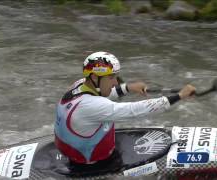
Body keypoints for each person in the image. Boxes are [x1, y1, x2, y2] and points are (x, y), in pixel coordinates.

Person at [54, 51, 195, 164]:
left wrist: (128, 87)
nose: (115, 82)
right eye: (111, 77)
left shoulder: (80, 85)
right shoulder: (92, 106)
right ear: (95, 78)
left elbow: (104, 95)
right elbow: (135, 110)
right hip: (92, 162)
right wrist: (180, 95)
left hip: (74, 153)